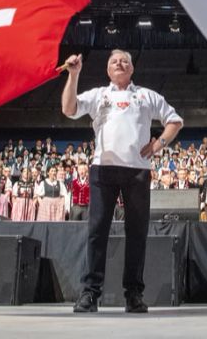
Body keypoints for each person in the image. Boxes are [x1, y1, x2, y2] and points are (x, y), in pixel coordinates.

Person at [62, 49, 183, 314]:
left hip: (137, 170)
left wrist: (159, 143)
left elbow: (175, 121)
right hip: (102, 170)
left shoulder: (146, 96)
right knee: (97, 234)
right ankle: (90, 294)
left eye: (124, 61)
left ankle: (134, 295)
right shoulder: (98, 95)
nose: (119, 63)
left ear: (132, 69)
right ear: (108, 70)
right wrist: (74, 75)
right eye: (114, 61)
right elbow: (69, 109)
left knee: (137, 234)